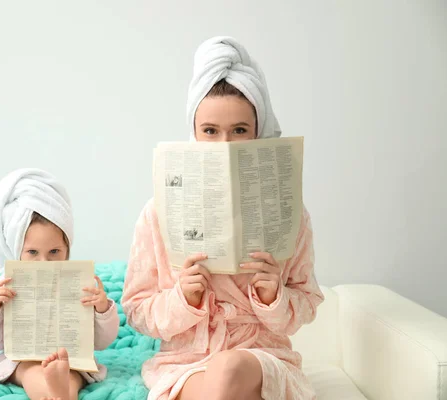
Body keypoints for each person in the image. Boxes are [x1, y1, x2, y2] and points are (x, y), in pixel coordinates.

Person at [121, 36, 324, 400]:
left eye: (240, 131)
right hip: (186, 364)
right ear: (194, 132)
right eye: (210, 131)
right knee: (217, 381)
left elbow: (307, 302)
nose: (224, 145)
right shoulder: (157, 212)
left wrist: (274, 296)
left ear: (258, 132)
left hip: (259, 358)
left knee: (229, 368)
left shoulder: (291, 213)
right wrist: (182, 298)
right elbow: (137, 309)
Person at [0, 168, 119, 400]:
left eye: (54, 251)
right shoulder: (6, 285)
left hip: (71, 360)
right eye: (32, 252)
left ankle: (61, 392)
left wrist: (102, 309)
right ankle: (53, 393)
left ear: (67, 249)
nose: (44, 261)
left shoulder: (83, 283)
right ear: (15, 250)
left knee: (73, 375)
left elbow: (101, 342)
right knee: (30, 374)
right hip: (23, 359)